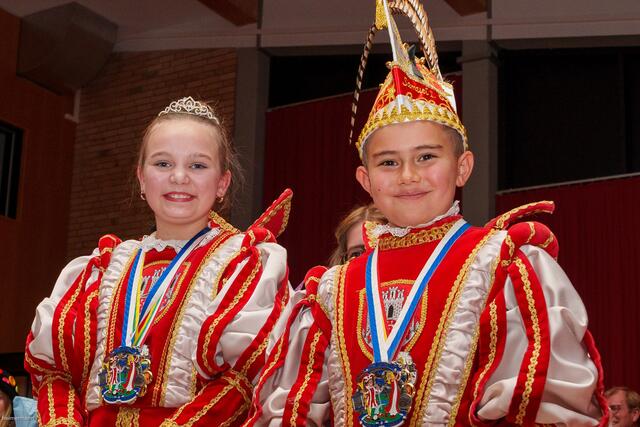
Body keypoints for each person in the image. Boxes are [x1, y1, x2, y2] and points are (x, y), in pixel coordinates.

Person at [246, 1, 609, 425]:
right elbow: (297, 407)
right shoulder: (331, 290)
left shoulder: (502, 265)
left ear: (463, 168)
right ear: (365, 180)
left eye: (426, 157)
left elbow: (537, 400)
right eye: (388, 162)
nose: (408, 175)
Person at [25, 97, 292, 426]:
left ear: (222, 182)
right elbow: (57, 373)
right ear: (141, 178)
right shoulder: (102, 268)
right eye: (163, 163)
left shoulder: (242, 265)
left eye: (197, 165)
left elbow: (245, 378)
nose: (179, 177)